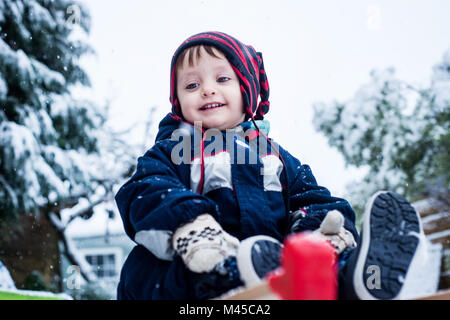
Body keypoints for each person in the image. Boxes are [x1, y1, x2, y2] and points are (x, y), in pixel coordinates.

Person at [115, 31, 426, 300]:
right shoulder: (173, 150)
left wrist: (318, 231)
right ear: (179, 102)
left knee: (313, 252)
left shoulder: (272, 156)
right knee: (152, 267)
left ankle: (356, 278)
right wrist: (193, 224)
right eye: (192, 85)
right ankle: (234, 275)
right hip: (192, 271)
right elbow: (144, 190)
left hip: (273, 262)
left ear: (246, 92)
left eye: (222, 78)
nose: (207, 89)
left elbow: (315, 198)